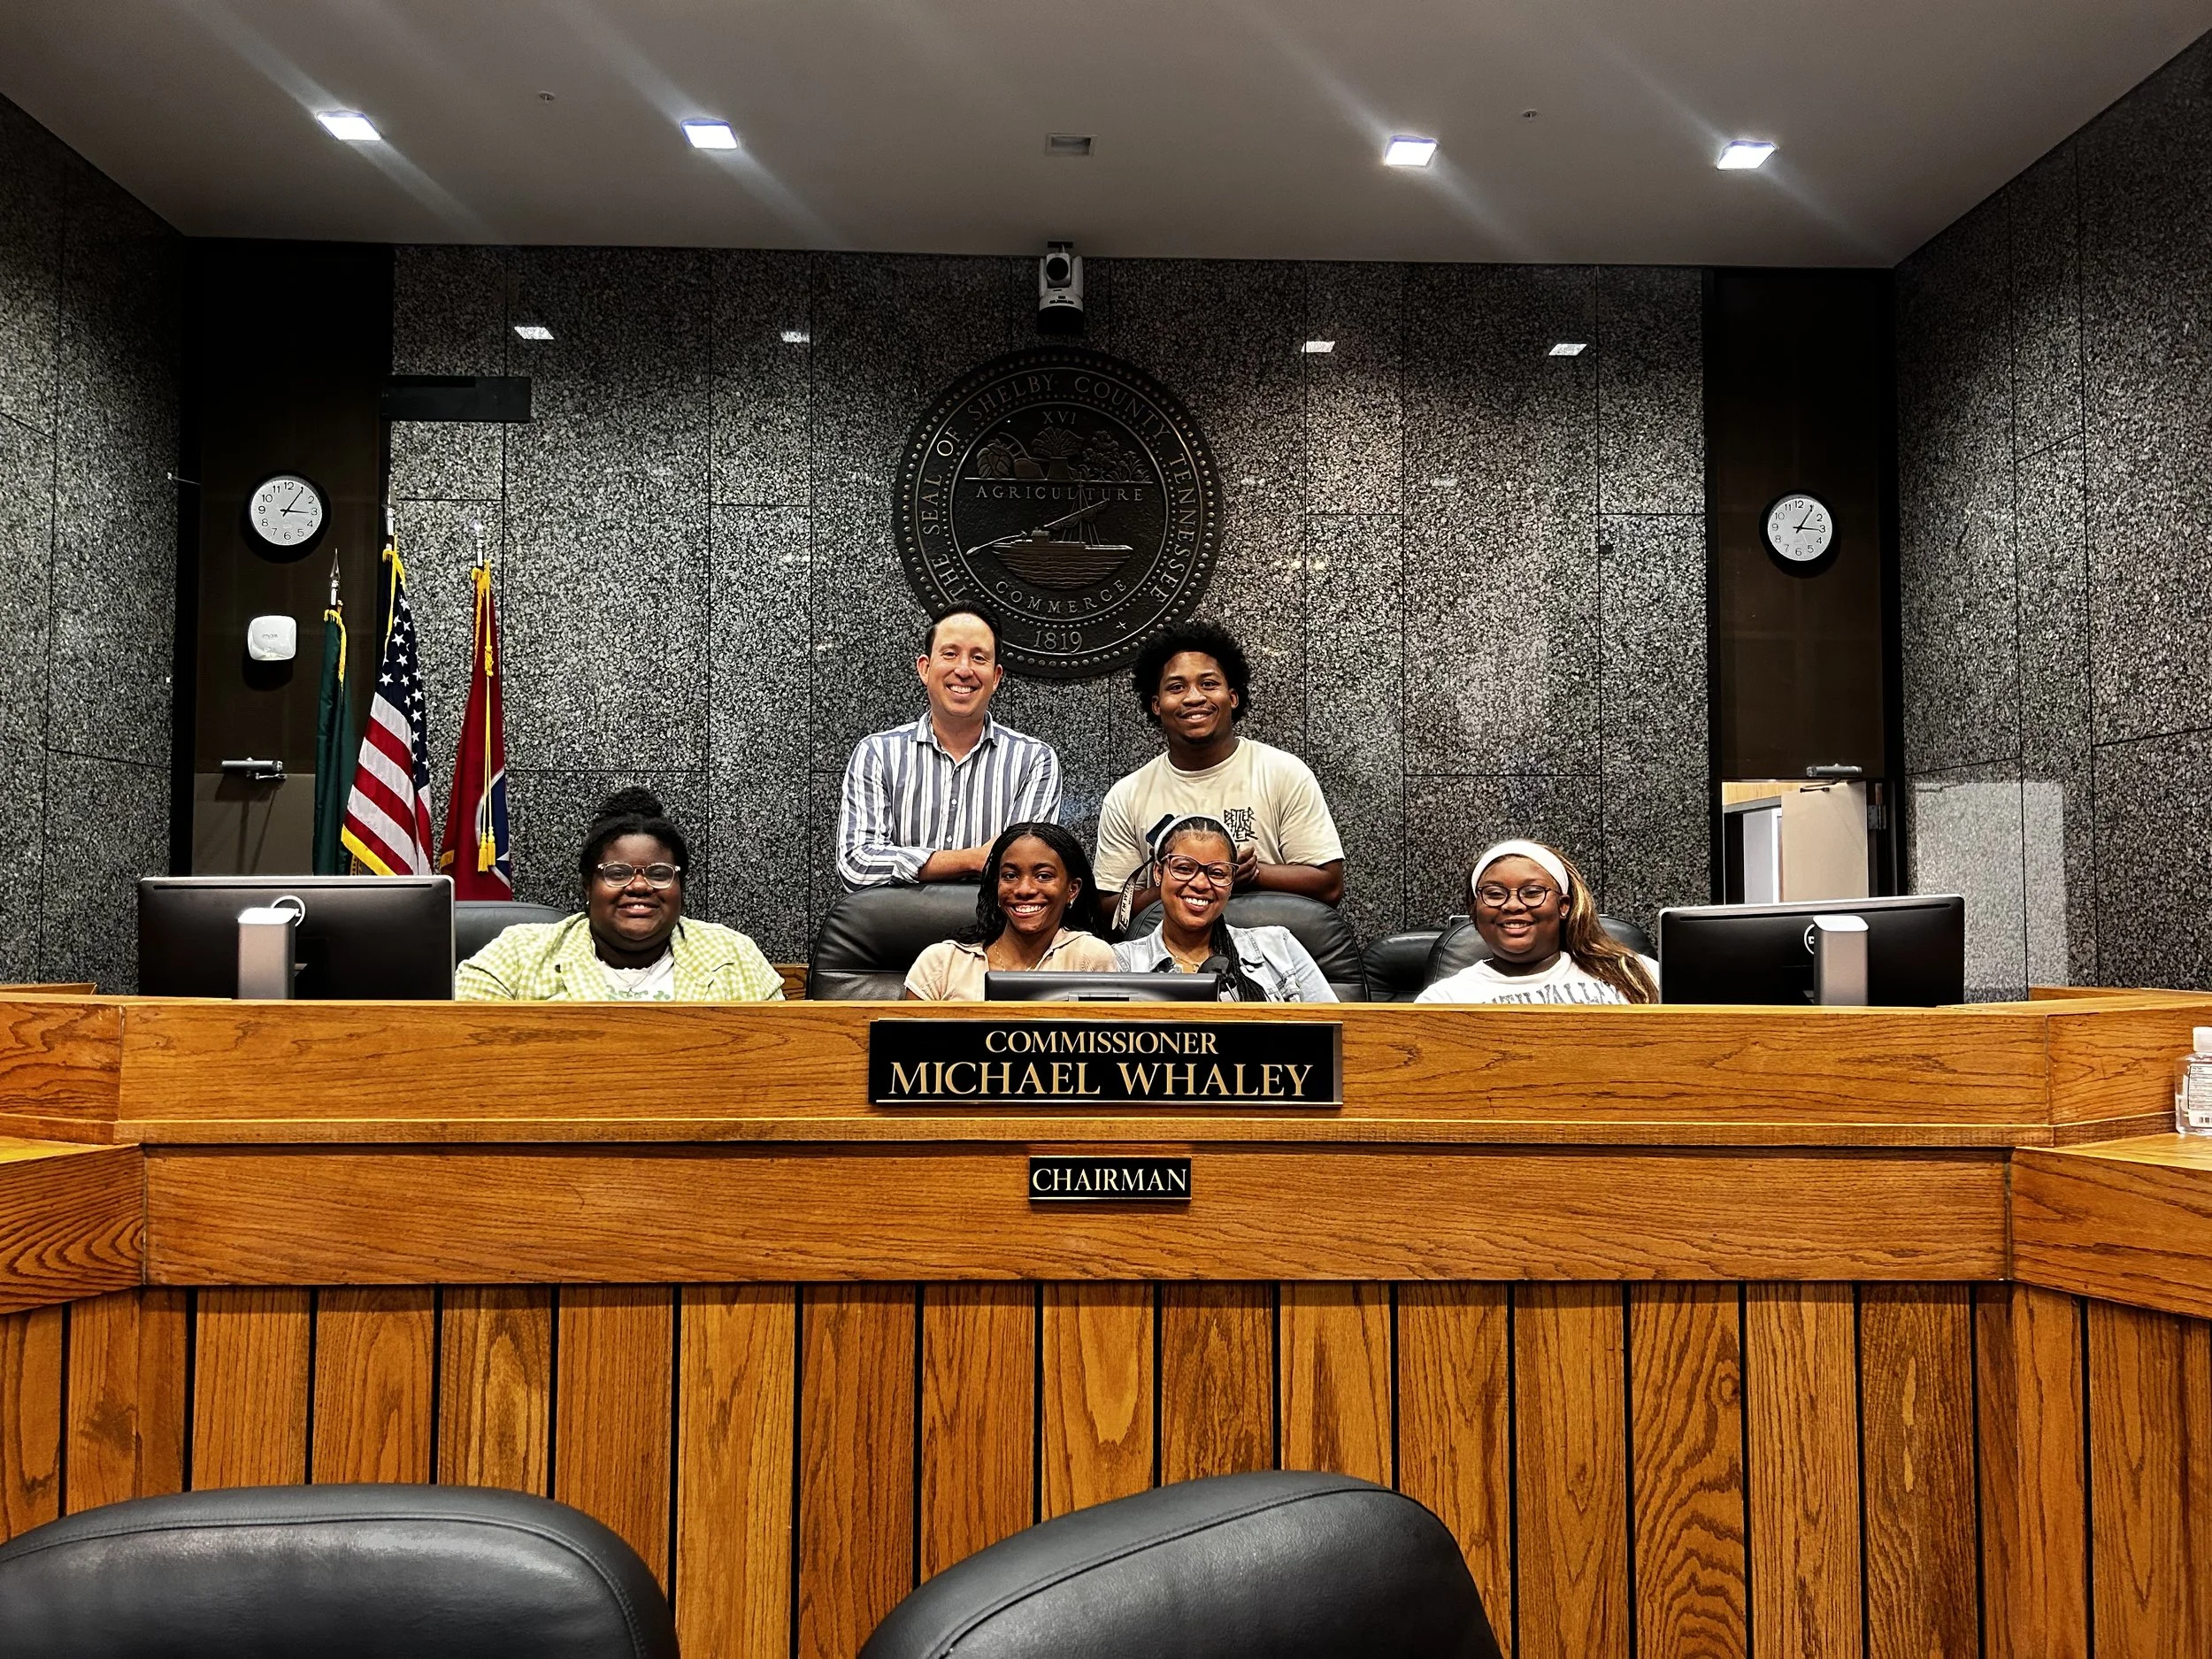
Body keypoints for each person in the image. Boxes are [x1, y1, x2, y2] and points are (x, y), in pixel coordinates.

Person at [1092, 619, 1344, 926]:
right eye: (1176, 687)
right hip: (1168, 968)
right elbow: (1109, 909)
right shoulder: (1127, 795)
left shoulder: (1283, 772)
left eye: (1209, 684)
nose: (1194, 697)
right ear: (1156, 705)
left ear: (1233, 697)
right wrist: (1183, 881)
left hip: (1270, 960)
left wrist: (1249, 873)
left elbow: (1329, 885)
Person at [457, 787, 784, 1002]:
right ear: (588, 886)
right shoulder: (517, 955)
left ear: (681, 889)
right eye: (617, 873)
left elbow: (781, 1066)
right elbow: (457, 1048)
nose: (639, 886)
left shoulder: (733, 956)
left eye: (659, 874)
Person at [837, 606, 1062, 888]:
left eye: (978, 658)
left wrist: (913, 864)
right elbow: (857, 865)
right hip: (896, 929)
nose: (964, 670)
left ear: (995, 677)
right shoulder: (878, 754)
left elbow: (1024, 873)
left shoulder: (1033, 761)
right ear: (925, 668)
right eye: (950, 654)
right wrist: (972, 860)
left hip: (993, 930)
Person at [1112, 815, 1337, 1002]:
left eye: (1217, 873)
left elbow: (1339, 1033)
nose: (1200, 884)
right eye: (1183, 868)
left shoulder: (1278, 946)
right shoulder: (1122, 963)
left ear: (1231, 882)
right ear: (1159, 873)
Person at [1417, 840, 1658, 1005]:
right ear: (1475, 911)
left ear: (1563, 906)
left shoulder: (1637, 973)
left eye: (1532, 892)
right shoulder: (1444, 1000)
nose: (1512, 905)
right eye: (1494, 893)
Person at [903, 821, 1118, 1000]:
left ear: (1072, 890)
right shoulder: (941, 962)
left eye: (1043, 876)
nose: (1024, 889)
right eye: (1010, 876)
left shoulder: (1090, 957)